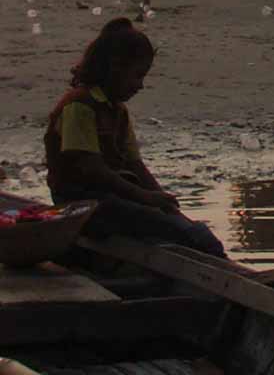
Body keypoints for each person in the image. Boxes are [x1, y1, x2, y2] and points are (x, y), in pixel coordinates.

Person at [44, 18, 225, 257]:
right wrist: (145, 197)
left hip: (112, 197)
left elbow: (135, 164)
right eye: (137, 76)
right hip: (80, 204)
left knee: (185, 229)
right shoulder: (79, 106)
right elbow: (91, 168)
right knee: (187, 233)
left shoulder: (118, 110)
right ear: (114, 69)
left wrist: (166, 204)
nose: (140, 85)